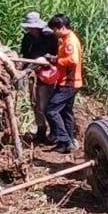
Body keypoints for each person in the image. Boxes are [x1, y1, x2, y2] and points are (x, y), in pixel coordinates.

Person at [45, 14, 83, 153]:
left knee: (51, 110)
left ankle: (66, 140)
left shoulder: (70, 41)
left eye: (55, 30)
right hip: (70, 81)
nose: (54, 33)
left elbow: (73, 59)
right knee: (66, 112)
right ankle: (67, 142)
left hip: (68, 83)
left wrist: (57, 61)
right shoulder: (66, 39)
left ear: (61, 28)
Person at [20, 12, 59, 143]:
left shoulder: (50, 37)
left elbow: (56, 57)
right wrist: (21, 70)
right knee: (35, 103)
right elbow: (24, 56)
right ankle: (41, 131)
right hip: (32, 73)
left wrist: (46, 60)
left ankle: (55, 133)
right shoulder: (27, 38)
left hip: (47, 75)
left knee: (45, 105)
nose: (30, 30)